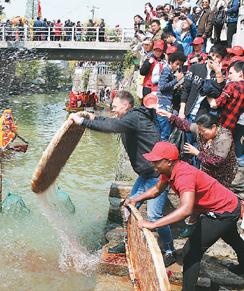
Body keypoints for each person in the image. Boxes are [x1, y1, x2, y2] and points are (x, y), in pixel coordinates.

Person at [68, 91, 176, 267]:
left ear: (126, 106)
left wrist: (82, 122)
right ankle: (127, 243)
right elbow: (111, 122)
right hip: (145, 174)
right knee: (129, 206)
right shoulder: (129, 118)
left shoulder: (134, 118)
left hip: (157, 175)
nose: (113, 109)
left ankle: (170, 250)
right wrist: (91, 116)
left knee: (154, 215)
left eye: (115, 106)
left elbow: (112, 127)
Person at [126, 141, 244, 291]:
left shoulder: (184, 175)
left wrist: (154, 224)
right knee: (231, 237)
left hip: (224, 211)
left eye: (156, 162)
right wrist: (137, 198)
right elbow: (157, 189)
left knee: (190, 250)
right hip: (226, 204)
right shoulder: (168, 171)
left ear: (169, 162)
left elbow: (186, 210)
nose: (153, 165)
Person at [156, 51, 187, 141]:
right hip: (164, 105)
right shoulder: (166, 71)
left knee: (161, 133)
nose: (178, 67)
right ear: (171, 62)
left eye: (180, 65)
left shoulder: (169, 72)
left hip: (162, 105)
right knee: (164, 134)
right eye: (176, 64)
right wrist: (176, 80)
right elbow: (162, 87)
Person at [208, 60, 244, 133]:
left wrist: (207, 93)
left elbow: (214, 104)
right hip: (233, 129)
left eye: (231, 73)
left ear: (240, 73)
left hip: (221, 127)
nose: (229, 77)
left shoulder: (231, 85)